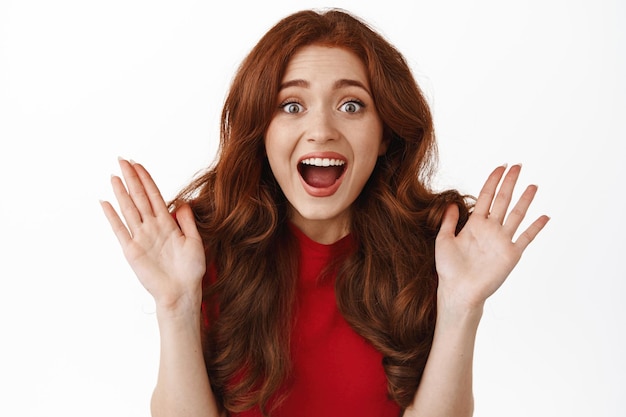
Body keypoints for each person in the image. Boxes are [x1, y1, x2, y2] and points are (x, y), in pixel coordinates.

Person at [100, 8, 549, 417]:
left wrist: (461, 306)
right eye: (291, 106)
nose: (320, 131)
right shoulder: (201, 251)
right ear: (262, 131)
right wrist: (176, 303)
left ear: (386, 134)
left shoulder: (438, 253)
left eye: (351, 105)